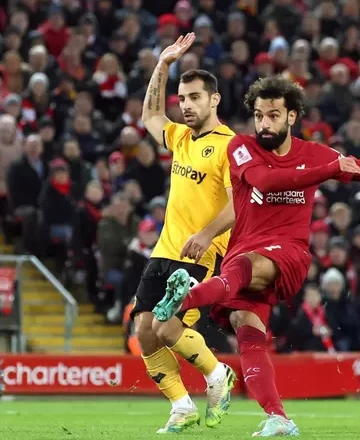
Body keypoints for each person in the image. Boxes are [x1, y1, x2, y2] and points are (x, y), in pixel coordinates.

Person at [153, 76, 360, 437]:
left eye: (273, 115)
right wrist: (330, 170)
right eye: (258, 115)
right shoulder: (241, 147)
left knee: (241, 269)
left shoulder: (313, 153)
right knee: (247, 332)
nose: (264, 124)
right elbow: (265, 181)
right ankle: (278, 418)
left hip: (288, 252)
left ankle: (185, 298)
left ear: (292, 116)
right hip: (245, 248)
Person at [135, 33, 236, 433]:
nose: (187, 105)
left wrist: (208, 234)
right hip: (165, 249)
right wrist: (162, 66)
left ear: (214, 99)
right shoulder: (179, 137)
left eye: (195, 97)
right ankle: (181, 406)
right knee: (144, 331)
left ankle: (217, 374)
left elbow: (238, 205)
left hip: (201, 254)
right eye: (182, 99)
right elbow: (150, 117)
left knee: (166, 326)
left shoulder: (230, 147)